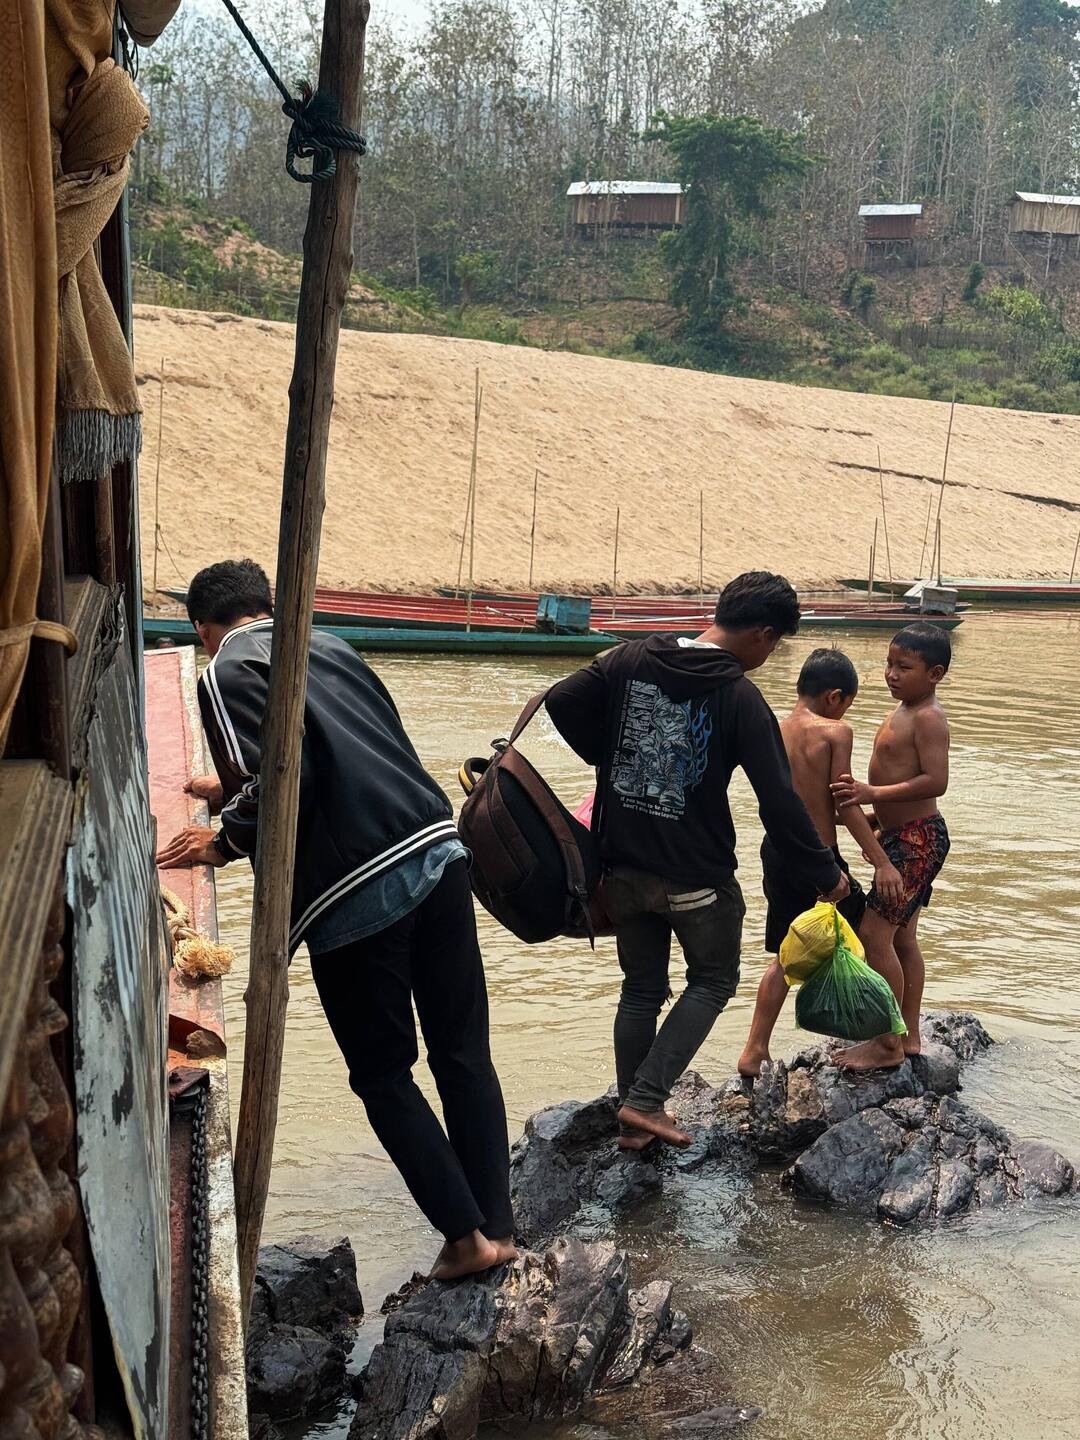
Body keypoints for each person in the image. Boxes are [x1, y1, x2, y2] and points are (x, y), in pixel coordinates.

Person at [155, 559, 515, 1280]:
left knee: (383, 1076)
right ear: (267, 603)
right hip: (436, 853)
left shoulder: (224, 669)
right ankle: (500, 1225)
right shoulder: (331, 643)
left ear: (204, 628)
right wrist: (228, 783)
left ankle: (466, 1240)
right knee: (462, 1054)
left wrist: (224, 839)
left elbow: (289, 776)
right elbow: (336, 742)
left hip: (355, 892)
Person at [545, 571, 850, 1151]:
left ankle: (632, 1115)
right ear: (762, 633)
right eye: (775, 643)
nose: (770, 654)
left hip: (623, 869)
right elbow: (780, 801)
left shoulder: (630, 658)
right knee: (712, 981)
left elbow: (560, 700)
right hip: (696, 879)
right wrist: (824, 872)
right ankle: (645, 1102)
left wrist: (611, 755)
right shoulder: (739, 696)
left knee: (640, 989)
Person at [737, 647, 905, 1078]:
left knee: (784, 956)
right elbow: (843, 803)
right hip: (819, 862)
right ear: (835, 697)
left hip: (777, 854)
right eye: (846, 702)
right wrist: (882, 859)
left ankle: (754, 1049)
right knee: (871, 938)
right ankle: (887, 1039)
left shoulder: (772, 728)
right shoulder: (835, 732)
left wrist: (869, 824)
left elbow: (802, 803)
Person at [830, 622, 952, 1072]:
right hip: (906, 833)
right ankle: (910, 1035)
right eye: (888, 664)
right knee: (903, 938)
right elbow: (903, 778)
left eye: (904, 667)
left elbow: (935, 781)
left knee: (872, 934)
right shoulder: (903, 710)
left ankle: (887, 1043)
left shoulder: (928, 717)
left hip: (919, 840)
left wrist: (870, 795)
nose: (891, 674)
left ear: (935, 673)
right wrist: (880, 821)